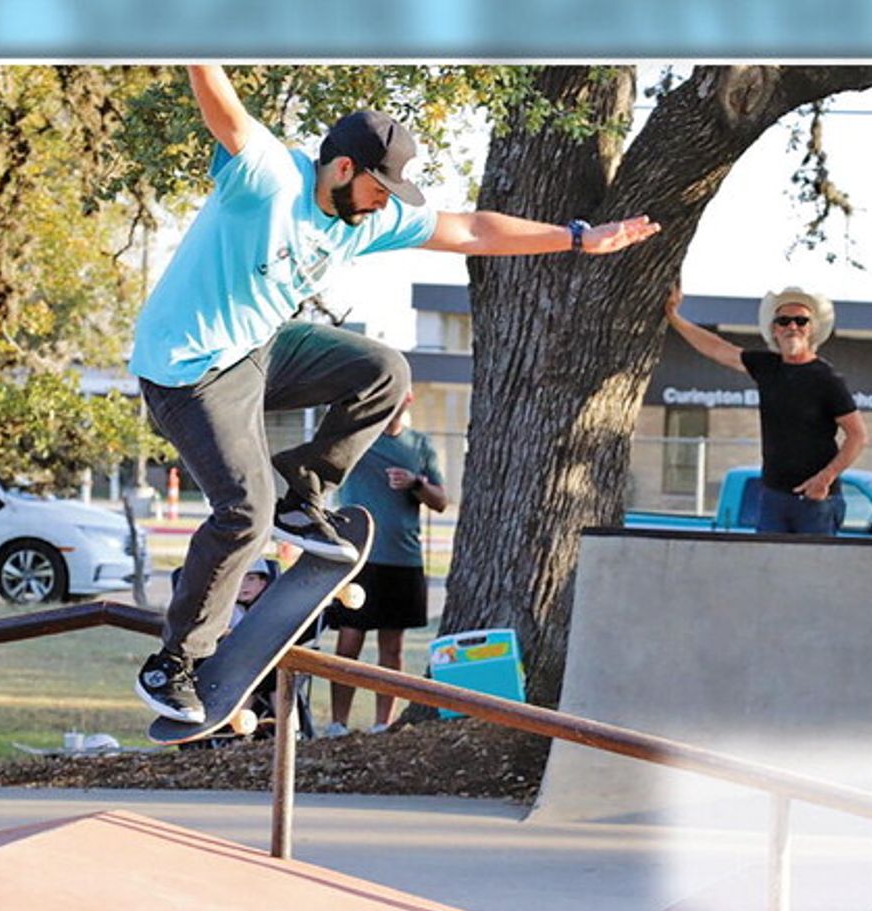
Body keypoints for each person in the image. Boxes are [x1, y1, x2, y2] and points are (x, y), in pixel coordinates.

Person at [130, 63, 661, 723]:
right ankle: (173, 663)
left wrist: (579, 238)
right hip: (186, 370)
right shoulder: (266, 177)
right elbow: (224, 110)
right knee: (243, 510)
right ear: (343, 169)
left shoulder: (368, 219)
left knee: (385, 371)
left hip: (256, 347)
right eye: (380, 190)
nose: (385, 205)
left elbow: (472, 230)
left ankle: (307, 488)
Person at [664, 284, 868, 534]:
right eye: (784, 320)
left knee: (812, 572)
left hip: (817, 502)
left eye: (800, 320)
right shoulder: (767, 367)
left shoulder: (827, 379)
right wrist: (674, 317)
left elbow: (858, 435)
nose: (792, 326)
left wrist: (824, 479)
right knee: (768, 570)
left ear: (811, 329)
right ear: (775, 329)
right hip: (773, 498)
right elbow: (717, 348)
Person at [326, 391, 446, 736]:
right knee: (349, 642)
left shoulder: (419, 445)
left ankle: (383, 723)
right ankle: (337, 723)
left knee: (392, 648)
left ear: (408, 400)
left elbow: (440, 501)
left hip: (403, 558)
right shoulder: (357, 439)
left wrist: (416, 483)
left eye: (396, 398)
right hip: (359, 558)